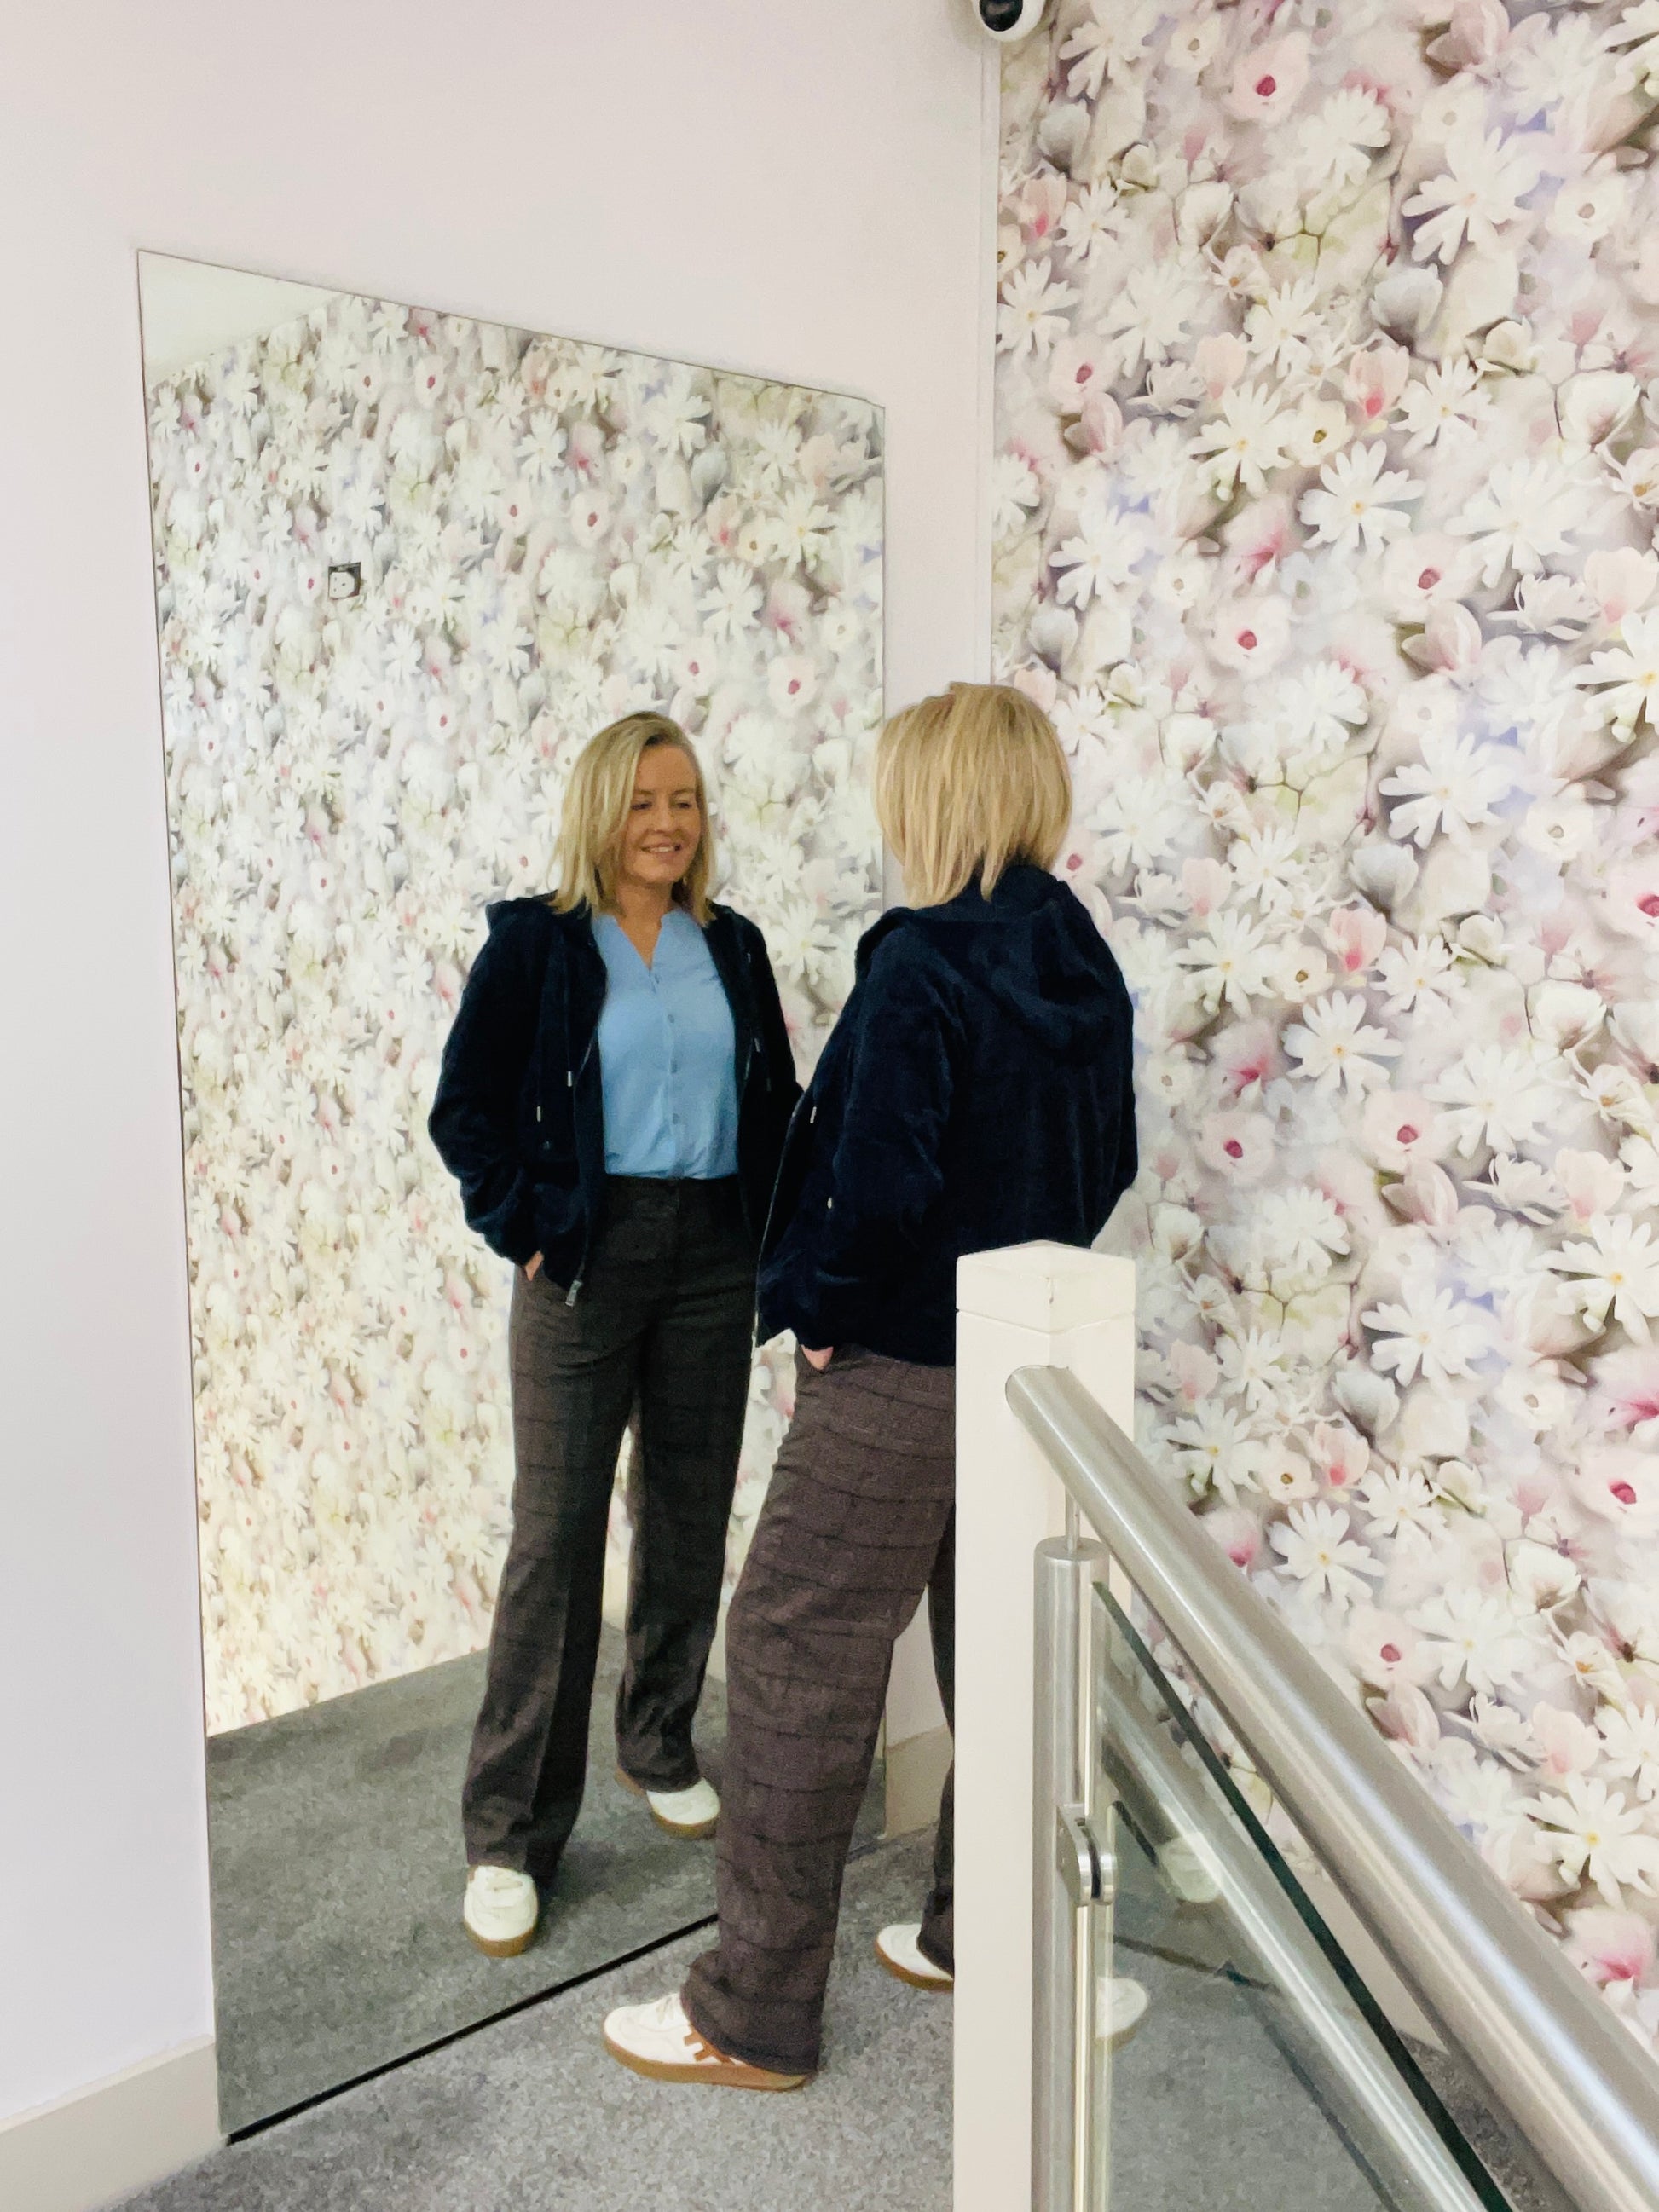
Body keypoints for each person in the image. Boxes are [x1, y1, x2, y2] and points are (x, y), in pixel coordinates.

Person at [600, 680, 1138, 2089]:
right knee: (1001, 1647)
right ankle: (979, 1934)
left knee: (791, 1646)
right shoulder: (1076, 952)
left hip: (901, 1360)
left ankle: (751, 2013)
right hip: (1028, 1363)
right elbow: (1111, 1159)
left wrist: (827, 1311)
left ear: (936, 797)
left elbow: (876, 1184)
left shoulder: (922, 964)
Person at [429, 711, 798, 1960]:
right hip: (585, 1259)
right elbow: (465, 1112)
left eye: (683, 800)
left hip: (712, 1253)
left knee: (688, 1510)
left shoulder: (730, 945)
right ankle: (508, 1833)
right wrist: (527, 1230)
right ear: (601, 810)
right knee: (557, 1538)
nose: (667, 824)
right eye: (643, 801)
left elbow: (774, 1106)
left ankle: (658, 1739)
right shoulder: (536, 944)